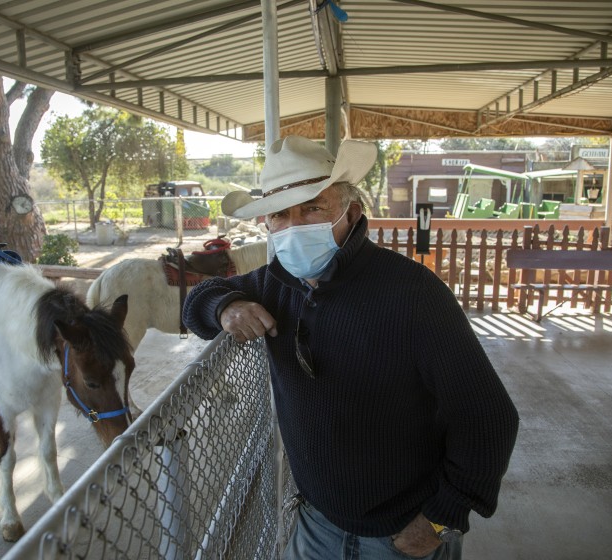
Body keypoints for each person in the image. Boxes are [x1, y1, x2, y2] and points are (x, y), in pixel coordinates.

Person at [182, 136, 519, 559]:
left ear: (351, 211)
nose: (295, 226)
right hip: (315, 521)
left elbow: (488, 417)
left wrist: (439, 519)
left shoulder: (412, 293)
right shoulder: (275, 282)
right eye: (280, 215)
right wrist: (226, 306)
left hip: (401, 534)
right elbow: (197, 301)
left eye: (312, 208)